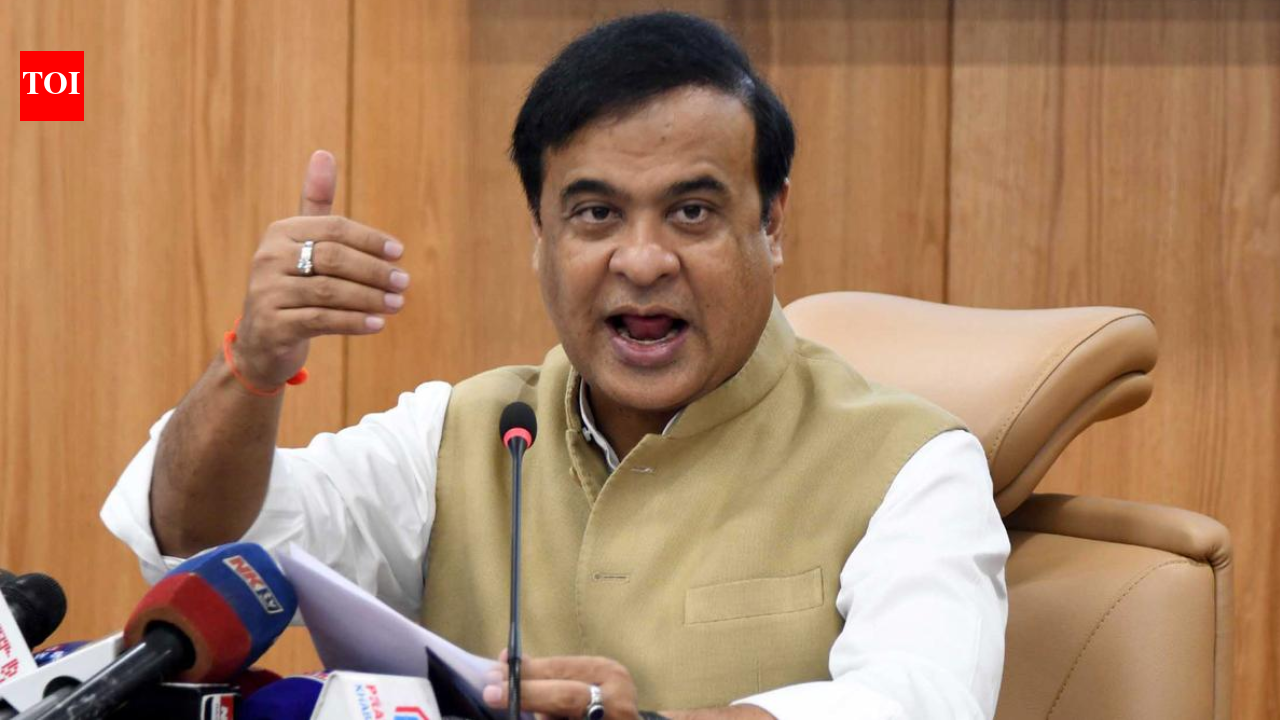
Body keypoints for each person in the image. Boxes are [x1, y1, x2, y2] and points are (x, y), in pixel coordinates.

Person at [103, 12, 1008, 720]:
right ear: (540, 234)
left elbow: (920, 698)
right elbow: (199, 544)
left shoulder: (912, 464)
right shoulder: (469, 434)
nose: (642, 260)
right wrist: (255, 363)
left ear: (770, 224)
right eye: (596, 214)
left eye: (692, 213)